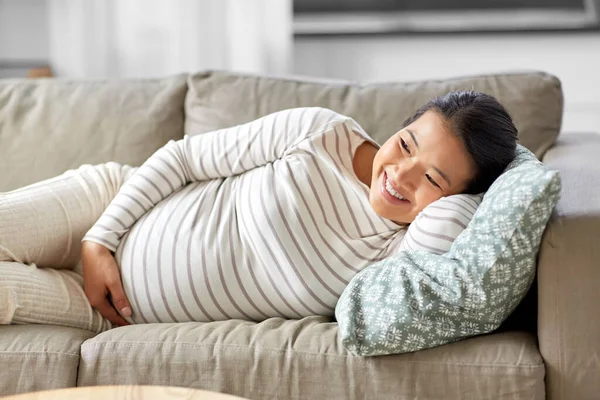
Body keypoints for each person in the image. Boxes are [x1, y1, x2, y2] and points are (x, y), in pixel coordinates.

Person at [0, 90, 517, 332]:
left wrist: (481, 191)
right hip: (105, 207)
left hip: (110, 313)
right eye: (406, 144)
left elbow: (452, 229)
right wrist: (100, 239)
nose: (400, 174)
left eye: (432, 178)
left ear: (460, 199)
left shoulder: (398, 256)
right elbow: (183, 157)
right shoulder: (322, 134)